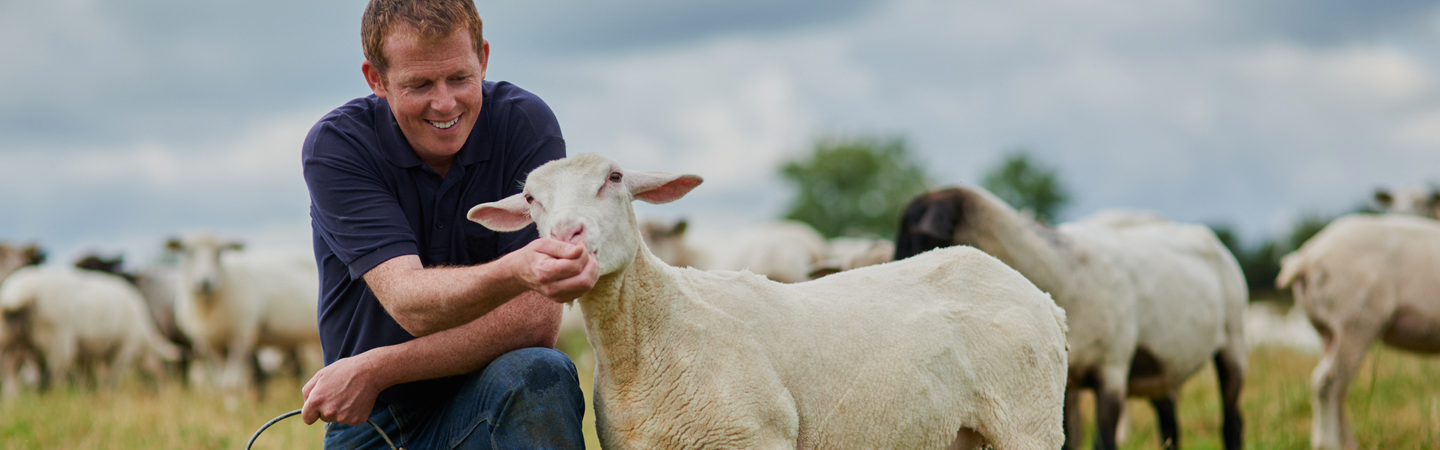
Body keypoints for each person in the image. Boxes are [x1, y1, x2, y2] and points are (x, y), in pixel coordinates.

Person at [298, 0, 598, 448]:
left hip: (492, 392)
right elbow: (410, 301)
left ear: (484, 58)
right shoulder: (339, 146)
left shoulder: (524, 124)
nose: (445, 102)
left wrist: (377, 367)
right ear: (376, 79)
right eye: (419, 84)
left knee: (539, 370)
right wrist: (518, 271)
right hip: (374, 418)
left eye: (460, 77)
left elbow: (536, 322)